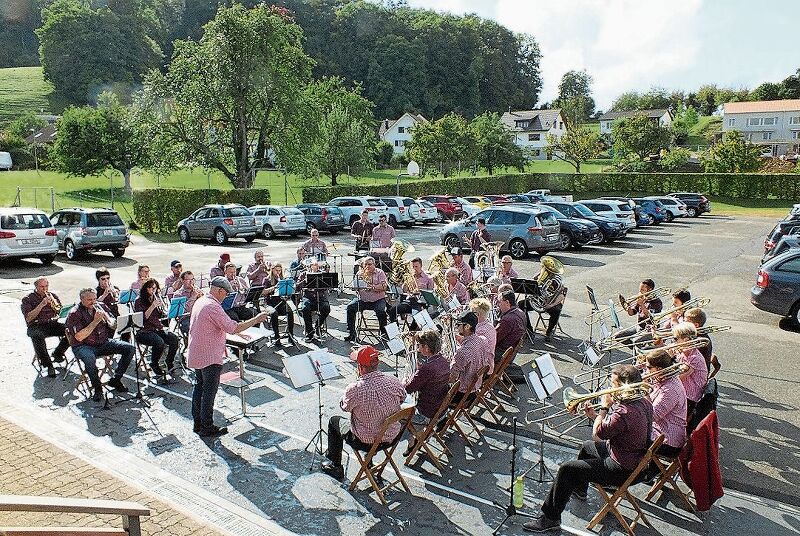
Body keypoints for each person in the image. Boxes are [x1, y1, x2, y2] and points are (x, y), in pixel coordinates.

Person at [523, 365, 653, 533]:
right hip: (634, 458)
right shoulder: (644, 402)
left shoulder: (624, 412)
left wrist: (604, 408)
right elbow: (616, 429)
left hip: (621, 467)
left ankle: (550, 518)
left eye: (613, 384)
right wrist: (594, 416)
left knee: (567, 469)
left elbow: (598, 435)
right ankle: (579, 489)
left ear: (624, 385)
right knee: (586, 447)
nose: (609, 388)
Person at [187, 277, 269, 437]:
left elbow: (214, 326)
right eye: (225, 294)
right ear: (219, 290)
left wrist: (239, 333)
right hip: (209, 355)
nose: (226, 297)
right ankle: (207, 427)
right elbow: (233, 327)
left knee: (199, 389)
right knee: (208, 393)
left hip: (197, 352)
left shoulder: (202, 301)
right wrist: (257, 319)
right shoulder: (213, 307)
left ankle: (198, 424)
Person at [320, 345, 406, 480]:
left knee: (334, 421)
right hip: (392, 436)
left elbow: (344, 407)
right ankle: (369, 458)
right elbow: (403, 398)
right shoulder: (394, 381)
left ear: (360, 367)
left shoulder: (355, 389)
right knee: (374, 420)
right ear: (377, 363)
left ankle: (335, 465)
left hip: (365, 441)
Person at [65, 288, 135, 402]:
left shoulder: (101, 306)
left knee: (129, 348)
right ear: (81, 299)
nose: (93, 302)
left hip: (102, 342)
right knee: (89, 358)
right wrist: (95, 321)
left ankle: (116, 379)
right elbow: (79, 337)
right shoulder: (74, 313)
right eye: (89, 300)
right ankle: (97, 388)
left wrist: (109, 319)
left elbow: (113, 326)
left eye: (94, 299)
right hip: (83, 345)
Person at [21, 277, 69, 377]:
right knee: (37, 336)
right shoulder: (28, 299)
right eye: (42, 287)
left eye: (46, 286)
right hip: (36, 325)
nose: (45, 289)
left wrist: (56, 308)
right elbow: (29, 318)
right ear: (36, 287)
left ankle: (58, 353)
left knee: (71, 331)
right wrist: (41, 304)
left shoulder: (53, 296)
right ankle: (47, 364)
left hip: (52, 323)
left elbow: (60, 310)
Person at [133, 278, 179, 383]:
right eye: (150, 288)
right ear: (145, 288)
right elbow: (142, 319)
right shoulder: (138, 301)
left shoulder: (156, 297)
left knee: (174, 338)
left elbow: (162, 317)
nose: (152, 290)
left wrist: (164, 309)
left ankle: (169, 361)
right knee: (159, 342)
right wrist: (152, 306)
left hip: (157, 327)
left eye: (154, 288)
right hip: (144, 331)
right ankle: (154, 363)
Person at [644, 349, 687, 457]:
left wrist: (644, 392)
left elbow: (652, 416)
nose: (646, 370)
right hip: (660, 431)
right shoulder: (664, 379)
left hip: (667, 440)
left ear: (659, 369)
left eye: (649, 367)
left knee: (625, 434)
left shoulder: (670, 389)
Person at [404, 330, 450, 427]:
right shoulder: (444, 360)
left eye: (419, 345)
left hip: (425, 413)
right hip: (441, 409)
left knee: (393, 416)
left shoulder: (427, 368)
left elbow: (408, 389)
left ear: (427, 348)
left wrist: (407, 380)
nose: (418, 348)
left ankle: (413, 440)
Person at [345, 256, 388, 343]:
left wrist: (373, 287)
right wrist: (355, 287)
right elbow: (355, 285)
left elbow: (384, 286)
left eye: (370, 264)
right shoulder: (360, 273)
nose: (367, 266)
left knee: (381, 311)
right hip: (363, 300)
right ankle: (352, 333)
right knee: (350, 307)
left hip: (378, 300)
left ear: (374, 264)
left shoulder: (380, 272)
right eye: (365, 264)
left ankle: (384, 333)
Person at [672, 322, 708, 418]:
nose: (673, 342)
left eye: (675, 339)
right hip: (684, 389)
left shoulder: (694, 357)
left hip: (690, 396)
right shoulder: (683, 352)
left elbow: (678, 377)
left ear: (686, 340)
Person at [449, 311, 485, 406]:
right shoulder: (482, 340)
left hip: (461, 394)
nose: (456, 327)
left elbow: (451, 378)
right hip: (475, 387)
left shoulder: (462, 352)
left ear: (467, 327)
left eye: (458, 324)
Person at [388, 257, 435, 326]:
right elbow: (404, 290)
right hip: (409, 301)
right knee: (392, 311)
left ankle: (412, 331)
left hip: (421, 303)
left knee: (417, 317)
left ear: (421, 266)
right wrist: (405, 284)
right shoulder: (410, 277)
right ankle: (395, 331)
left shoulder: (428, 278)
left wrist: (422, 290)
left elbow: (431, 293)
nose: (414, 269)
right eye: (413, 267)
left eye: (416, 266)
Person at [262, 263, 295, 347]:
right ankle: (277, 336)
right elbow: (263, 292)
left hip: (281, 302)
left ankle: (291, 336)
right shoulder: (267, 280)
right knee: (274, 313)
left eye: (280, 271)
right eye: (276, 270)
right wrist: (275, 287)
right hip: (269, 303)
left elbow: (287, 293)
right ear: (272, 270)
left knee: (290, 312)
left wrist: (288, 292)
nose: (278, 272)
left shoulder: (283, 279)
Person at [297, 260, 330, 342]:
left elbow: (327, 287)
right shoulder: (303, 274)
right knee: (305, 308)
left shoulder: (322, 274)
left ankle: (318, 325)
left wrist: (323, 283)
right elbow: (297, 287)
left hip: (320, 297)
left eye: (317, 264)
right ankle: (310, 332)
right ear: (310, 266)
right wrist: (304, 281)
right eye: (314, 265)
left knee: (326, 308)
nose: (316, 266)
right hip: (308, 297)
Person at [684, 307, 721, 379]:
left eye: (686, 322)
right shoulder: (695, 335)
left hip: (697, 373)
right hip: (694, 367)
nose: (683, 324)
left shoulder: (699, 340)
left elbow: (688, 358)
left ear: (696, 325)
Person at [495, 290, 526, 364]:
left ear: (507, 302)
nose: (498, 304)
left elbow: (494, 340)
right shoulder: (520, 312)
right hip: (510, 353)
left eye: (499, 302)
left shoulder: (508, 320)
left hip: (501, 353)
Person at [470, 298, 496, 375]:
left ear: (477, 315)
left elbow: (471, 350)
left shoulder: (480, 330)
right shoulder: (489, 325)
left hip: (482, 368)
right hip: (487, 362)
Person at [173, 271, 203, 335]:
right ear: (182, 280)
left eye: (192, 279)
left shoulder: (197, 289)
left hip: (198, 316)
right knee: (192, 329)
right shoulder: (178, 294)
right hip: (186, 318)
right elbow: (183, 311)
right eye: (188, 280)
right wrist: (193, 297)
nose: (191, 282)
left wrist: (202, 298)